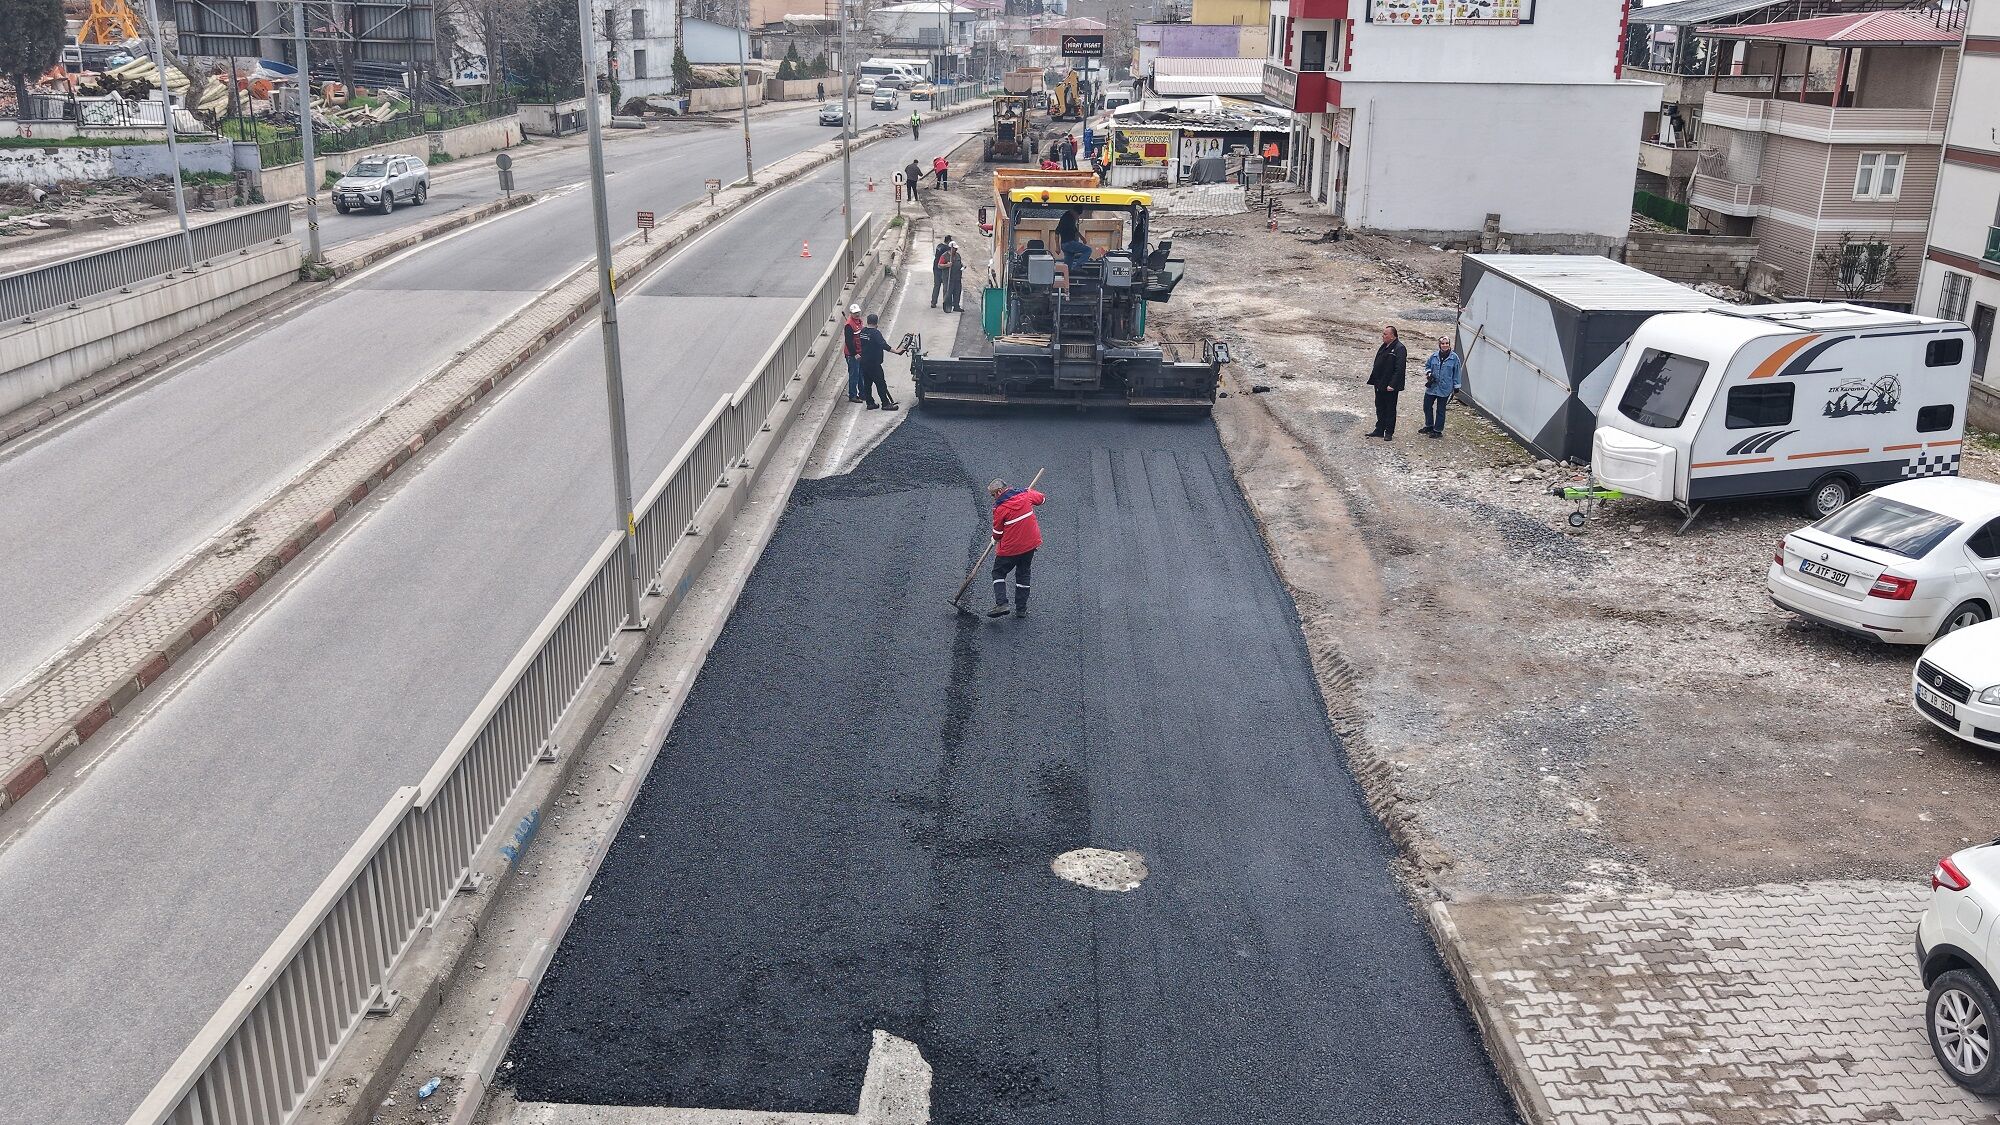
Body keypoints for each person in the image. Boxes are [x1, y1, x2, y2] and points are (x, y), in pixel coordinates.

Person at [986, 477, 1045, 618]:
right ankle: (1021, 609)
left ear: (1000, 491)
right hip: (1029, 545)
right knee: (1023, 574)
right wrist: (1029, 492)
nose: (993, 498)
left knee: (998, 573)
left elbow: (998, 533)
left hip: (1010, 549)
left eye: (993, 495)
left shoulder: (999, 509)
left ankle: (1002, 604)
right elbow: (1042, 499)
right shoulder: (1025, 494)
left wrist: (994, 539)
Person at [1364, 325, 1407, 440]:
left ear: (1392, 336)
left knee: (1390, 408)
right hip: (1379, 383)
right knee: (1380, 406)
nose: (1383, 336)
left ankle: (1389, 432)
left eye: (1385, 334)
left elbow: (1400, 369)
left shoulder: (1400, 348)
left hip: (1390, 386)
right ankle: (1379, 429)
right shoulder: (1384, 346)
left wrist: (1392, 385)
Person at [1420, 336, 1462, 438]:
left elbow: (1457, 373)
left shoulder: (1454, 358)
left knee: (1441, 409)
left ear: (1449, 344)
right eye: (1443, 343)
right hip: (1432, 387)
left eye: (1447, 343)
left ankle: (1438, 430)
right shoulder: (1433, 356)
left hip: (1445, 388)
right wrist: (1429, 373)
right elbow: (1427, 366)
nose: (1445, 345)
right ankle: (1429, 425)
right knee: (1426, 406)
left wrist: (1457, 386)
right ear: (1439, 345)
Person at [858, 313, 901, 410]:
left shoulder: (863, 332)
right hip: (874, 363)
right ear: (876, 323)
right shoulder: (875, 333)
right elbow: (884, 345)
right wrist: (896, 351)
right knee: (881, 383)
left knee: (867, 384)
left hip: (864, 362)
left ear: (867, 321)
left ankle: (870, 403)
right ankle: (885, 403)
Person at [842, 304, 865, 403]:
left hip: (860, 353)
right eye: (855, 313)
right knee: (854, 375)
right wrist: (855, 354)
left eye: (858, 312)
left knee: (861, 374)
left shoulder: (859, 322)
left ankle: (862, 394)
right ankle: (853, 395)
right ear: (851, 313)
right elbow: (849, 341)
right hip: (852, 355)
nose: (857, 314)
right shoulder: (849, 325)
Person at [931, 235, 954, 308]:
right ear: (949, 241)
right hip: (942, 269)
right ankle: (945, 303)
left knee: (936, 286)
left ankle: (933, 302)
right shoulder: (947, 249)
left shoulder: (939, 246)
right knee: (945, 286)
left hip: (935, 268)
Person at [943, 242, 965, 313]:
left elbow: (960, 264)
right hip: (949, 278)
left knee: (957, 292)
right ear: (951, 249)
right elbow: (939, 265)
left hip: (957, 277)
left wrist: (962, 267)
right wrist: (946, 265)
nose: (956, 250)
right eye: (955, 248)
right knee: (949, 292)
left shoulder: (958, 255)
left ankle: (956, 306)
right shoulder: (945, 256)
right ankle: (947, 305)